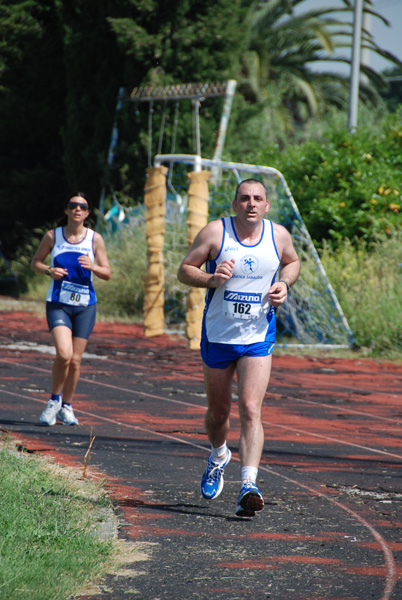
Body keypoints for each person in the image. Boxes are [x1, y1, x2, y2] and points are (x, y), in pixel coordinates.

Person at [177, 179, 300, 517]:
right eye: (244, 198)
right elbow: (184, 270)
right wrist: (211, 279)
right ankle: (218, 456)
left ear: (266, 205)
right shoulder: (216, 233)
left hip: (258, 336)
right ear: (234, 204)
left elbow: (292, 262)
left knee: (250, 408)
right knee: (219, 414)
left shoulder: (278, 236)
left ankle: (249, 484)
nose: (251, 204)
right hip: (218, 335)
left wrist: (284, 284)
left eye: (258, 198)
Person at [31, 192, 111, 426]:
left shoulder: (94, 239)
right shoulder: (52, 236)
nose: (77, 209)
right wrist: (49, 271)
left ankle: (66, 406)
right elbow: (35, 262)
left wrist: (93, 266)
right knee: (64, 354)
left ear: (87, 213)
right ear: (66, 210)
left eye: (82, 206)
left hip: (85, 306)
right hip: (59, 304)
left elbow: (107, 273)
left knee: (75, 360)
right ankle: (53, 401)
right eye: (72, 205)